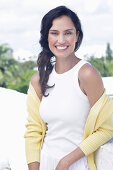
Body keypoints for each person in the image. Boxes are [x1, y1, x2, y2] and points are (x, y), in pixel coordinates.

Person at [24, 6, 113, 170]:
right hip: (44, 163)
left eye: (68, 32)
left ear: (77, 35)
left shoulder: (87, 74)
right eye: (54, 33)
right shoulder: (38, 80)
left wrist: (66, 162)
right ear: (46, 37)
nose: (61, 40)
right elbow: (33, 131)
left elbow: (106, 129)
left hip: (76, 164)